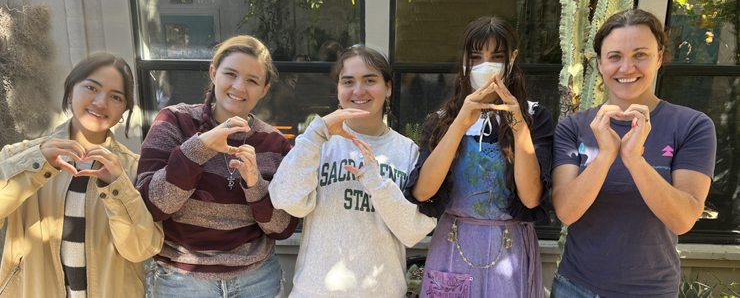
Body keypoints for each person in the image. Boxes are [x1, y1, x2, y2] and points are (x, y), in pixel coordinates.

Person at [550, 9, 717, 298]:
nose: (627, 68)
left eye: (640, 54)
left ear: (659, 58)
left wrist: (634, 159)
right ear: (600, 64)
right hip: (575, 287)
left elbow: (683, 220)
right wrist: (604, 156)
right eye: (614, 56)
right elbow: (566, 212)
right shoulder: (574, 127)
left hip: (651, 291)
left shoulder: (692, 125)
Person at [136, 35, 300, 297]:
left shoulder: (274, 143)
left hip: (256, 279)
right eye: (230, 74)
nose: (239, 87)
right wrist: (198, 148)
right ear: (213, 73)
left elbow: (282, 228)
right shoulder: (174, 122)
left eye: (252, 81)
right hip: (182, 281)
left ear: (265, 89)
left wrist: (254, 184)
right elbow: (152, 207)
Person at [269, 45, 437, 297]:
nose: (358, 90)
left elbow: (414, 231)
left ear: (388, 87)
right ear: (338, 89)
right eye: (348, 81)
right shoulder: (318, 143)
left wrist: (377, 186)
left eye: (370, 80)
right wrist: (315, 135)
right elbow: (287, 201)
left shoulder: (408, 152)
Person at [405, 17, 553, 298]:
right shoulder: (442, 121)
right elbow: (423, 192)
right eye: (476, 57)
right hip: (453, 247)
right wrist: (460, 122)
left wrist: (517, 123)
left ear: (513, 59)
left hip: (511, 251)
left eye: (496, 57)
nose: (486, 65)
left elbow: (532, 198)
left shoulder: (535, 117)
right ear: (464, 61)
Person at [0, 52, 163, 297]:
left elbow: (141, 250)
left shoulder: (136, 169)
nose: (100, 102)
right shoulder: (19, 155)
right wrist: (36, 163)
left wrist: (118, 187)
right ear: (70, 92)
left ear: (124, 111)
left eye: (115, 97)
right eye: (91, 87)